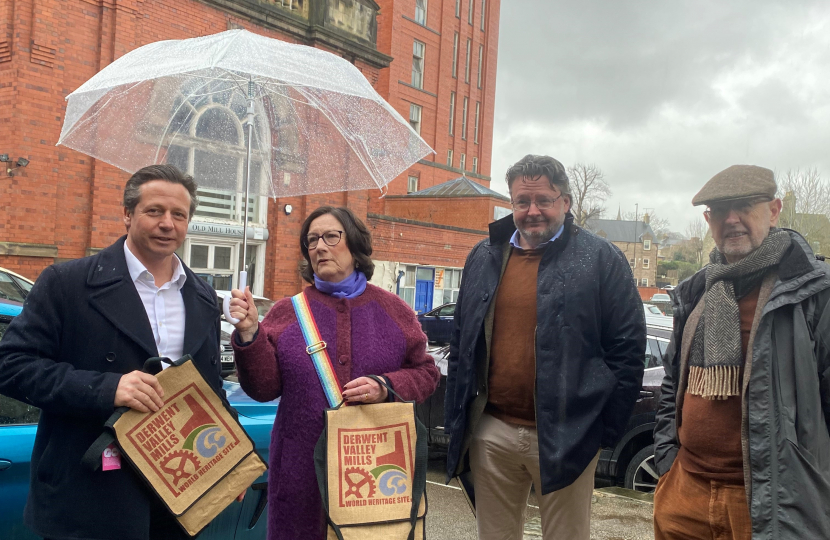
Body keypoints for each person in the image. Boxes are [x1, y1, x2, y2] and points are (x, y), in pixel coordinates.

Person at [0, 164, 231, 540]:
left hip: (175, 490)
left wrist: (226, 462)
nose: (167, 224)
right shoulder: (67, 283)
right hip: (89, 494)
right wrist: (108, 389)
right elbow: (10, 366)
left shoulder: (203, 297)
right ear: (127, 213)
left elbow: (210, 390)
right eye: (154, 211)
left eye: (179, 214)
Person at [444, 154, 646, 540]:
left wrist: (601, 431)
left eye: (544, 201)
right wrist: (463, 421)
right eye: (522, 201)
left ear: (565, 203)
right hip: (492, 432)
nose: (532, 211)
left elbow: (628, 351)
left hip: (569, 435)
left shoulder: (601, 259)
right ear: (512, 203)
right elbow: (461, 343)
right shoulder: (483, 256)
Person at [227, 205, 440, 540]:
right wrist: (250, 333)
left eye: (330, 236)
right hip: (301, 479)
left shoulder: (393, 311)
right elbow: (264, 388)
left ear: (353, 245)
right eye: (312, 241)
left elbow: (426, 373)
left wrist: (386, 385)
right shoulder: (287, 312)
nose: (320, 247)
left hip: (373, 479)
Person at [653, 165, 830, 539]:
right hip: (685, 494)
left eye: (745, 206)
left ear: (774, 210)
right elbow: (673, 382)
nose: (731, 219)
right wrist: (669, 461)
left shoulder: (813, 293)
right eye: (719, 211)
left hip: (770, 504)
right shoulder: (696, 291)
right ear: (707, 219)